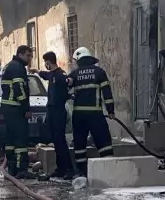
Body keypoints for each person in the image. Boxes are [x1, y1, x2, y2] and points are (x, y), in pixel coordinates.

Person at [68, 47, 115, 177]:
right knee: (103, 141)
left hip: (79, 115)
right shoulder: (99, 72)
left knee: (79, 144)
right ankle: (109, 170)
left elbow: (65, 88)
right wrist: (111, 110)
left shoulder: (74, 74)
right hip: (95, 114)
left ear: (78, 60)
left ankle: (82, 173)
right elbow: (107, 93)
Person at [38, 51, 74, 180]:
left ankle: (69, 169)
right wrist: (37, 72)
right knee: (56, 140)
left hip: (59, 111)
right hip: (52, 111)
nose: (45, 64)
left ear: (48, 62)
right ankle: (60, 169)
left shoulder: (60, 75)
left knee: (60, 140)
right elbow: (45, 75)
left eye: (45, 62)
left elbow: (67, 82)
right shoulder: (52, 74)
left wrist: (69, 81)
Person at [1, 45, 33, 178]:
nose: (30, 59)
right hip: (16, 108)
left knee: (10, 140)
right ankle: (21, 169)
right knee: (20, 139)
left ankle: (12, 168)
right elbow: (19, 89)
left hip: (7, 108)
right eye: (28, 55)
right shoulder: (18, 68)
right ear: (20, 54)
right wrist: (26, 108)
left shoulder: (9, 66)